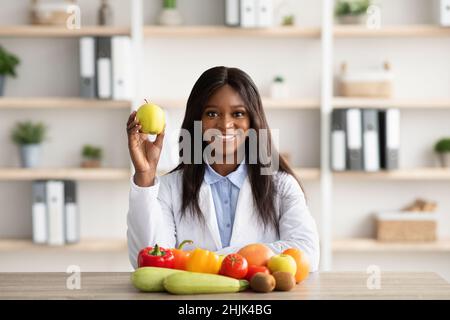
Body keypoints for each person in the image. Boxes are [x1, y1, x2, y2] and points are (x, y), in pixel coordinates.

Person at [126, 66, 320, 271]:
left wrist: (208, 261)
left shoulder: (281, 185)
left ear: (252, 121)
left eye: (238, 113)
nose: (225, 124)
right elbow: (147, 262)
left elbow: (306, 253)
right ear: (197, 122)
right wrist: (145, 175)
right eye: (212, 113)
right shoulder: (170, 188)